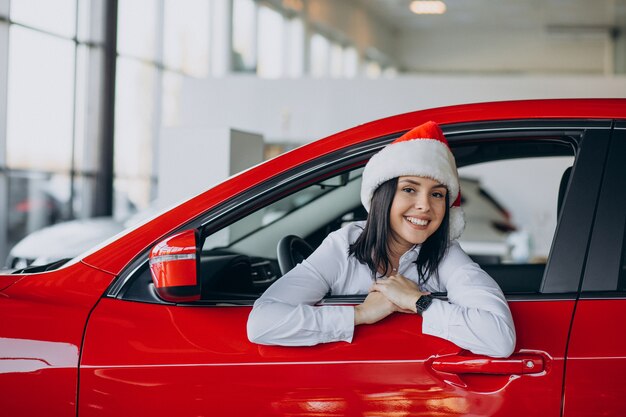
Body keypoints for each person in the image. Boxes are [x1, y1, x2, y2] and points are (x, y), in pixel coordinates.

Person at [247, 121, 516, 358]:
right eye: (409, 189)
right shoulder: (343, 245)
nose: (424, 206)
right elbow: (261, 323)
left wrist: (418, 302)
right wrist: (360, 314)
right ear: (383, 197)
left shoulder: (445, 253)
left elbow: (500, 339)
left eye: (437, 194)